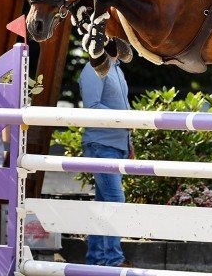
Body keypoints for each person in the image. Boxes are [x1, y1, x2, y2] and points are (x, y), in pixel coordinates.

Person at [79, 58, 133, 268]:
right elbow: (92, 106)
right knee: (115, 200)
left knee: (104, 204)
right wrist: (125, 121)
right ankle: (114, 260)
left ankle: (96, 260)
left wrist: (128, 142)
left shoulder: (116, 68)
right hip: (101, 145)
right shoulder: (94, 68)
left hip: (114, 145)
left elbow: (122, 105)